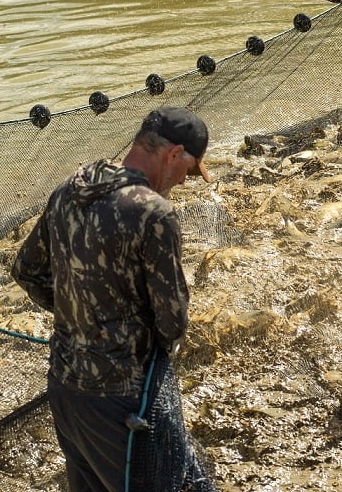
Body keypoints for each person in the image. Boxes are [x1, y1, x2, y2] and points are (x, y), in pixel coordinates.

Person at [11, 107, 214, 492]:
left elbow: (26, 270)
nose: (184, 182)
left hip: (66, 388)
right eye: (188, 171)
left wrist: (82, 315)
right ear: (173, 155)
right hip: (122, 402)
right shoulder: (154, 214)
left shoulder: (69, 189)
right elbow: (173, 322)